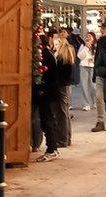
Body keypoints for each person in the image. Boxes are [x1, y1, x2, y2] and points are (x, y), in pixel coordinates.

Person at [35, 33, 62, 161]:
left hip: (48, 94)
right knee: (47, 121)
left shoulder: (44, 56)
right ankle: (52, 147)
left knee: (48, 121)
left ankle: (52, 149)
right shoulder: (47, 54)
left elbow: (50, 76)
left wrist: (42, 89)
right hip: (48, 93)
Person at [91, 24, 106, 132]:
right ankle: (101, 121)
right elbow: (97, 57)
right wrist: (95, 73)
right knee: (99, 97)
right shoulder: (101, 41)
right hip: (100, 73)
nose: (102, 31)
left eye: (104, 29)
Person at [77, 32, 98, 111]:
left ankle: (95, 102)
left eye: (90, 36)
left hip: (93, 67)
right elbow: (80, 56)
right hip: (84, 67)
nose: (88, 37)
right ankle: (86, 104)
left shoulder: (96, 46)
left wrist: (94, 59)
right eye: (87, 36)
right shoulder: (83, 46)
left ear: (93, 38)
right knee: (84, 86)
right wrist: (86, 47)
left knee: (93, 86)